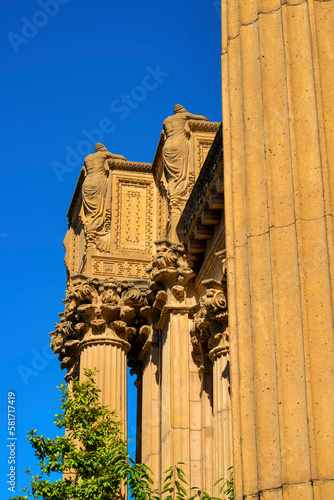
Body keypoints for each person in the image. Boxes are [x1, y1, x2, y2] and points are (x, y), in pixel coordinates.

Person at [162, 104, 208, 211]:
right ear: (182, 110)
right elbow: (203, 118)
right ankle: (179, 200)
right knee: (182, 175)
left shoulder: (166, 120)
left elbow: (163, 132)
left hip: (167, 145)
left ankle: (173, 197)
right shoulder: (183, 116)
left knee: (172, 177)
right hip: (179, 143)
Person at [82, 143, 126, 251]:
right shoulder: (103, 155)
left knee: (91, 213)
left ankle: (89, 232)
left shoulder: (87, 158)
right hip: (98, 181)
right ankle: (95, 234)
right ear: (103, 150)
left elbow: (84, 170)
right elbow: (122, 158)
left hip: (87, 183)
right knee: (99, 211)